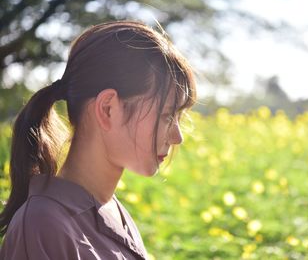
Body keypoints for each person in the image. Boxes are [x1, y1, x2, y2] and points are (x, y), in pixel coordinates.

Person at [0, 20, 197, 259]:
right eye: (166, 116)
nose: (178, 137)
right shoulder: (43, 225)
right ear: (107, 109)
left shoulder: (113, 211)